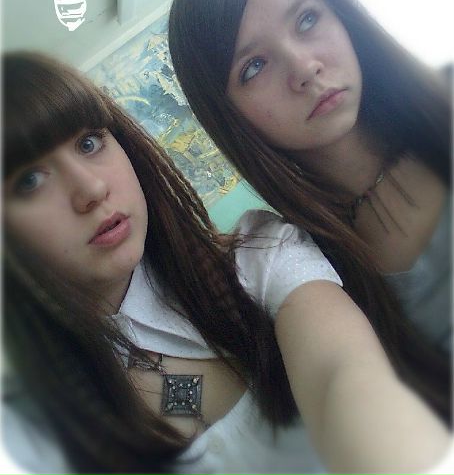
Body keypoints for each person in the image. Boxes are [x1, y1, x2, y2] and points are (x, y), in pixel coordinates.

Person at [2, 52, 450, 475]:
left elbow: (343, 374)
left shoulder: (257, 253)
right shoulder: (27, 432)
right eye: (29, 180)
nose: (91, 189)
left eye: (89, 142)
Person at [168, 0, 452, 425]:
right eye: (254, 66)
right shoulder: (301, 267)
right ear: (228, 115)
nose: (303, 68)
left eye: (306, 19)